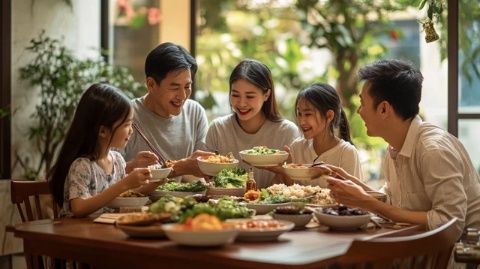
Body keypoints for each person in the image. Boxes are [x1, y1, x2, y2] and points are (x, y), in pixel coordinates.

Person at [325, 59, 480, 237]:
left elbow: (450, 224)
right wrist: (351, 183)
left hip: (458, 257)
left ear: (384, 109)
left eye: (363, 103)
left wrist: (368, 202)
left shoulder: (433, 150)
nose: (359, 111)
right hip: (420, 250)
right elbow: (393, 203)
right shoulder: (395, 146)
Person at [49, 83, 159, 217]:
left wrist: (154, 182)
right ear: (103, 131)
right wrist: (124, 184)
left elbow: (123, 196)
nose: (131, 130)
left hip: (105, 230)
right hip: (77, 232)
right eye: (126, 124)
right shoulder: (82, 166)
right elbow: (78, 208)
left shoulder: (117, 160)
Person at [206, 59, 301, 188]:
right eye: (235, 95)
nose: (241, 103)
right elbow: (207, 180)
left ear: (266, 95)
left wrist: (285, 174)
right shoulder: (218, 129)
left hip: (273, 206)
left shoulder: (287, 132)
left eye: (250, 96)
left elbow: (296, 186)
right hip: (227, 206)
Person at [124, 42, 213, 177]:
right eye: (175, 87)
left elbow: (201, 170)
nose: (182, 96)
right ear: (151, 84)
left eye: (187, 86)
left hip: (186, 198)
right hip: (139, 197)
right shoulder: (127, 115)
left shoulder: (195, 112)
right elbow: (108, 175)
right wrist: (178, 168)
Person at [280, 82, 362, 186]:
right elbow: (289, 192)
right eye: (299, 114)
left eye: (308, 114)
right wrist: (286, 171)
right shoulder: (297, 148)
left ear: (329, 115)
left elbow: (355, 197)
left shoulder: (346, 153)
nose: (301, 121)